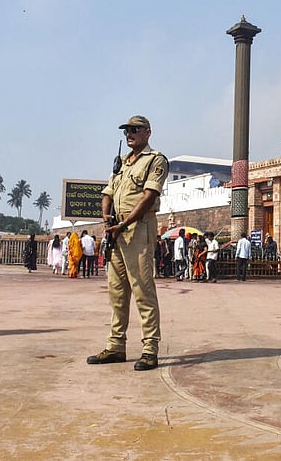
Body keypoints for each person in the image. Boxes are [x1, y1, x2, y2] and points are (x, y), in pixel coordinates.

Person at [87, 114, 169, 371]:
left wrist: (124, 223)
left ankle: (149, 348)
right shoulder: (122, 163)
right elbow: (108, 192)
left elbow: (148, 197)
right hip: (116, 231)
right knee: (117, 292)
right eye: (127, 131)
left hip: (137, 229)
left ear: (148, 132)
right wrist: (106, 214)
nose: (129, 134)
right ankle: (116, 346)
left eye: (135, 129)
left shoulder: (156, 160)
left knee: (143, 290)